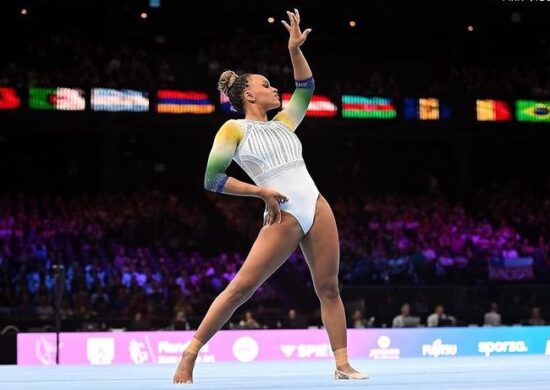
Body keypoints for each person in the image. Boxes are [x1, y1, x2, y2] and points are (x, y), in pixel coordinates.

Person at [173, 9, 368, 384]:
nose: (275, 89)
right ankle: (190, 352)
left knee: (329, 287)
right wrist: (260, 192)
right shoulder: (233, 129)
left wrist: (295, 49)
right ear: (249, 94)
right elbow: (212, 179)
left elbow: (306, 87)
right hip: (285, 212)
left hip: (316, 205)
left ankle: (342, 365)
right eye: (266, 85)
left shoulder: (284, 123)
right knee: (241, 289)